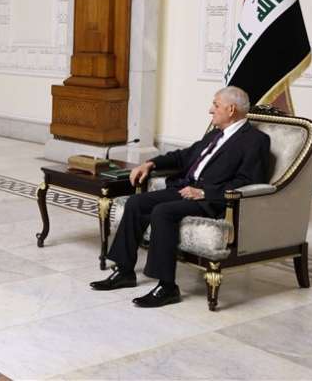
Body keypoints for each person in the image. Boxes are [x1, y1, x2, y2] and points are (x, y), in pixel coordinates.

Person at [90, 86, 271, 307]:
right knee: (136, 202)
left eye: (215, 105)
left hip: (211, 200)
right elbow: (184, 157)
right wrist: (150, 163)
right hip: (185, 189)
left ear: (231, 109)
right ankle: (125, 271)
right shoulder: (215, 134)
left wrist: (203, 192)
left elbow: (249, 181)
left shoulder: (255, 140)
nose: (210, 110)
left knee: (163, 212)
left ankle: (167, 288)